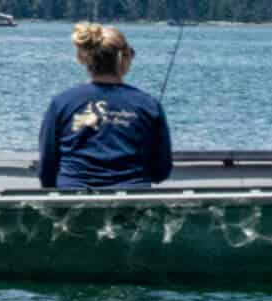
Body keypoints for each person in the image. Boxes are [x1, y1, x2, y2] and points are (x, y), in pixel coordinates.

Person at [37, 22, 174, 190]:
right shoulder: (149, 105)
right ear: (122, 58)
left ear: (86, 58)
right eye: (131, 53)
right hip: (133, 199)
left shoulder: (61, 103)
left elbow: (47, 169)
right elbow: (161, 171)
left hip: (72, 196)